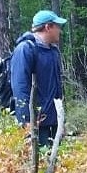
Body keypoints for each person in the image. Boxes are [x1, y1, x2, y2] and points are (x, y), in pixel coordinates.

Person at [10, 9, 67, 146]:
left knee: (54, 162)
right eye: (57, 26)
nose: (60, 30)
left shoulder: (53, 51)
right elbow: (20, 87)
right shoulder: (25, 49)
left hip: (54, 122)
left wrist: (61, 121)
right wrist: (27, 120)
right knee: (37, 164)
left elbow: (57, 89)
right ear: (48, 27)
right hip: (36, 123)